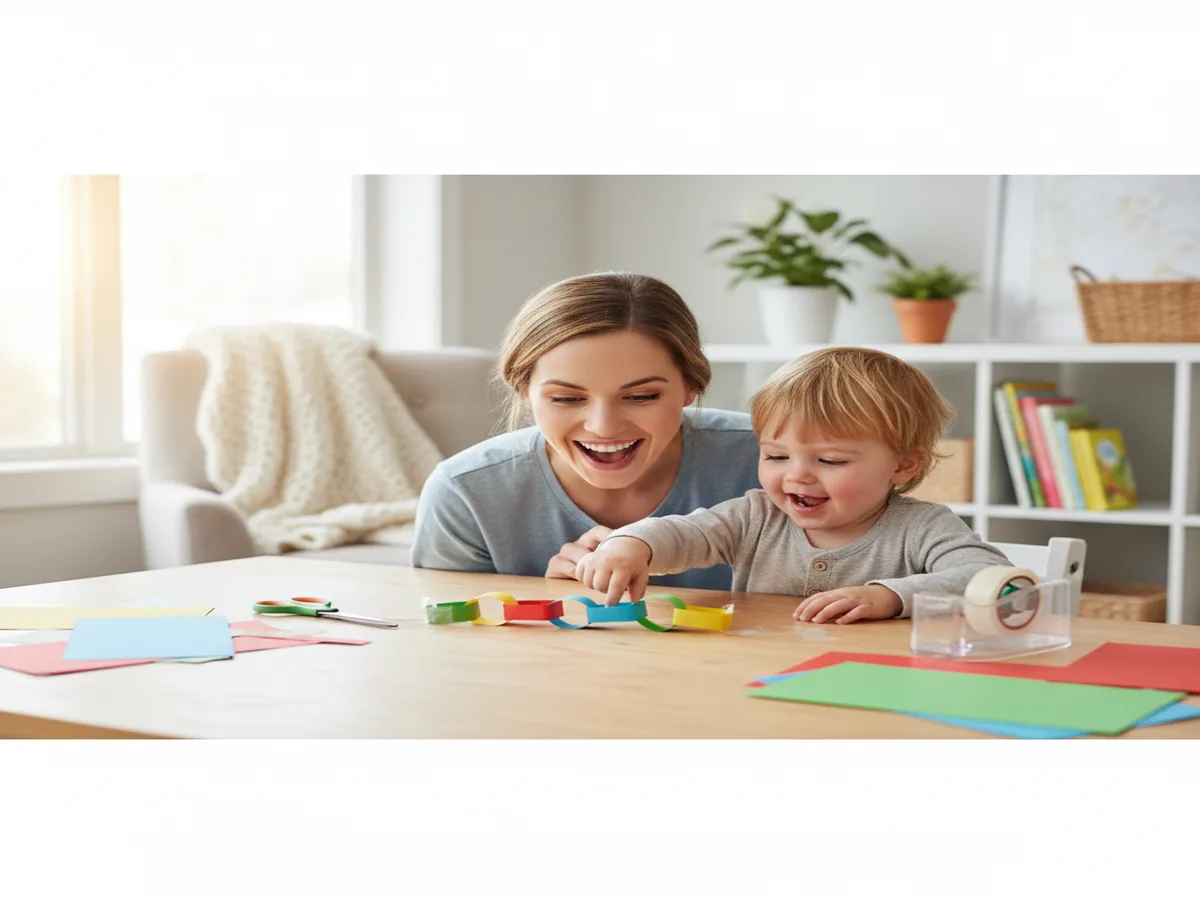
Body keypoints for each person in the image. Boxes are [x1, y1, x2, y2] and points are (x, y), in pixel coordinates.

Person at [574, 346, 1013, 624]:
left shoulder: (923, 527)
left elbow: (993, 579)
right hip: (762, 676)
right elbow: (686, 533)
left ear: (903, 465)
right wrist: (632, 544)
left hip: (881, 681)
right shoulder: (756, 515)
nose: (796, 475)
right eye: (776, 456)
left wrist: (890, 596)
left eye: (830, 460)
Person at [410, 271, 762, 591]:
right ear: (523, 391)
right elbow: (453, 645)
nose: (603, 427)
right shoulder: (465, 493)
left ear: (692, 386)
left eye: (641, 396)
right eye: (565, 398)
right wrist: (547, 600)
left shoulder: (771, 458)